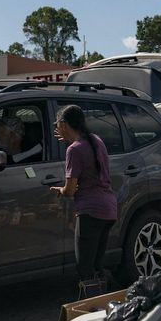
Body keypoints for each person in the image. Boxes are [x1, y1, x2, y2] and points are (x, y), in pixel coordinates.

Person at [51, 105, 118, 296]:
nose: (56, 128)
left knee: (85, 267)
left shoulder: (74, 150)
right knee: (97, 264)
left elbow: (70, 190)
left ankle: (91, 305)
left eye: (57, 125)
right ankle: (102, 302)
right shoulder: (96, 140)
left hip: (91, 211)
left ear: (64, 124)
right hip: (108, 209)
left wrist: (60, 190)